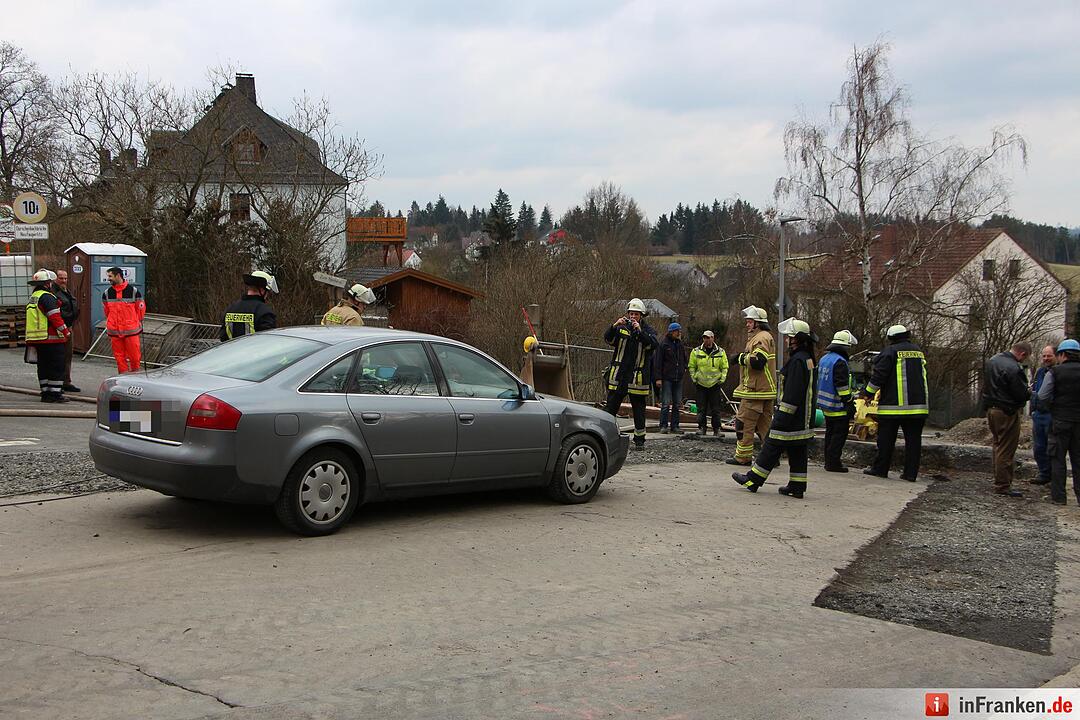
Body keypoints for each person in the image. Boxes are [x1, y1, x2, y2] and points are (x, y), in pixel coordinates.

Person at [732, 318, 817, 499]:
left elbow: (792, 394)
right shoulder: (808, 359)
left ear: (797, 339)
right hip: (803, 417)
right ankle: (797, 486)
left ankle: (752, 480)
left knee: (771, 446)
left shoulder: (797, 362)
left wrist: (781, 417)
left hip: (790, 417)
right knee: (797, 451)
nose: (786, 340)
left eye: (789, 337)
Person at [861, 325, 929, 482]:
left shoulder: (890, 352)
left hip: (893, 407)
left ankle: (880, 470)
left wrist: (868, 394)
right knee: (913, 442)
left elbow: (879, 376)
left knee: (886, 440)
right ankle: (910, 474)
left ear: (891, 338)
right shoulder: (918, 351)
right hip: (918, 408)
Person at [603, 298, 658, 450]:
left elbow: (653, 344)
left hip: (637, 378)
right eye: (631, 313)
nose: (633, 317)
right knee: (611, 408)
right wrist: (614, 326)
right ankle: (604, 436)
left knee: (639, 410)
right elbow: (608, 339)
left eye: (636, 314)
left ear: (642, 316)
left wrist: (639, 331)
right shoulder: (621, 328)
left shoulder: (648, 331)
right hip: (619, 376)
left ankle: (639, 441)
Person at [727, 305, 776, 466]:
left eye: (750, 321)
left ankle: (743, 457)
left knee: (743, 424)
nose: (747, 324)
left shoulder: (760, 338)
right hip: (766, 390)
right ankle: (771, 458)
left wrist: (739, 358)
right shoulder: (765, 336)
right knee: (765, 427)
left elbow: (758, 361)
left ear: (758, 323)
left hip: (755, 391)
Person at [982, 341, 1033, 497]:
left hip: (992, 408)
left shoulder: (993, 361)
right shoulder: (1014, 368)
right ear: (1022, 354)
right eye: (1025, 358)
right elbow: (1020, 393)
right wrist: (1029, 392)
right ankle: (1003, 484)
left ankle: (999, 479)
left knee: (997, 444)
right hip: (1007, 410)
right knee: (1006, 447)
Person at [1037, 339, 1080, 506]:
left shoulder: (1054, 372)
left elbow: (1043, 396)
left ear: (1062, 354)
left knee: (1058, 459)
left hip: (1060, 421)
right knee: (1078, 460)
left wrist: (1051, 407)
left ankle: (1059, 497)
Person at [25, 270, 72, 403]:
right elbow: (54, 317)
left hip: (37, 340)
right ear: (47, 284)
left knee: (43, 367)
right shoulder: (47, 297)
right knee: (56, 366)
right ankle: (55, 393)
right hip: (51, 339)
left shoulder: (34, 296)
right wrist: (66, 332)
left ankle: (45, 393)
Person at [818, 330, 858, 472]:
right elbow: (841, 386)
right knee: (838, 436)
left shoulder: (825, 358)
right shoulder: (840, 362)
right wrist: (849, 401)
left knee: (829, 433)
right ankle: (833, 463)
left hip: (825, 404)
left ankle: (828, 460)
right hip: (838, 405)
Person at [102, 266, 145, 373]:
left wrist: (135, 322)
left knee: (135, 357)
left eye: (110, 276)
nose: (109, 279)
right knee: (119, 358)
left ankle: (135, 376)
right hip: (115, 331)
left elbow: (140, 310)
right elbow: (107, 311)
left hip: (131, 330)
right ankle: (123, 377)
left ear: (118, 275)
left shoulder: (134, 291)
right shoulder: (107, 293)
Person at [688, 330, 729, 436]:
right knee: (701, 408)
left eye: (708, 337)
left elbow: (724, 367)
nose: (706, 340)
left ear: (713, 338)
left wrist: (722, 379)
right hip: (701, 384)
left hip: (715, 384)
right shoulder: (696, 351)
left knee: (716, 409)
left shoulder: (721, 352)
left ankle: (717, 429)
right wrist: (694, 378)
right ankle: (702, 427)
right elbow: (692, 366)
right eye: (704, 338)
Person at [653, 322, 689, 434]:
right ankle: (663, 425)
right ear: (672, 332)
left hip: (678, 377)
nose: (679, 333)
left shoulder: (679, 344)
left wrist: (685, 367)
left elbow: (683, 358)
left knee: (677, 403)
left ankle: (675, 426)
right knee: (666, 403)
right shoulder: (663, 345)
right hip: (667, 378)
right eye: (677, 331)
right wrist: (658, 378)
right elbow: (658, 362)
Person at [221, 271, 278, 341]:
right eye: (268, 292)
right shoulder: (265, 312)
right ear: (262, 290)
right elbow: (268, 341)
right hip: (255, 351)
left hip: (231, 351)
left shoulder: (230, 309)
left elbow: (223, 338)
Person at [1030, 344, 1056, 486]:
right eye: (1044, 355)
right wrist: (1033, 410)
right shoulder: (1040, 372)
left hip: (1052, 414)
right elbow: (1035, 390)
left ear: (1056, 356)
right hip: (1039, 414)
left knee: (1051, 446)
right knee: (1039, 446)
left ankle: (1053, 476)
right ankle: (1044, 473)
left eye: (1049, 355)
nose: (1046, 358)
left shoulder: (1057, 372)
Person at [53, 269, 81, 393]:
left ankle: (66, 381)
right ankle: (58, 382)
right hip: (59, 328)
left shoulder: (66, 291)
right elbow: (58, 312)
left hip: (69, 326)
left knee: (68, 355)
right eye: (61, 278)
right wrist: (69, 316)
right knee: (59, 356)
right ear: (55, 278)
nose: (64, 281)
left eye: (65, 278)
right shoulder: (53, 292)